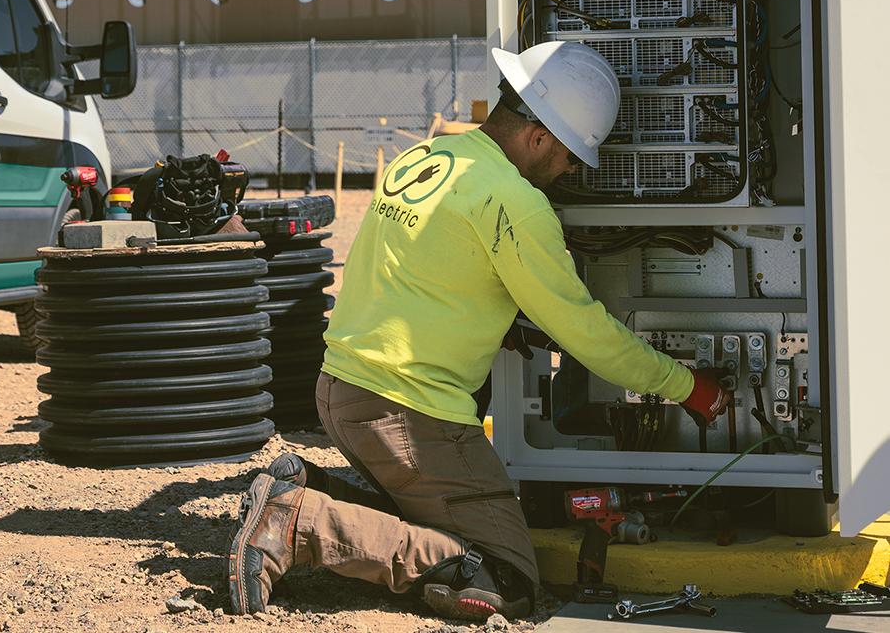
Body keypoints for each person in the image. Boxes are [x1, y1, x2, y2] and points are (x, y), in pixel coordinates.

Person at [228, 41, 732, 622]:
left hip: (342, 391)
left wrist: (499, 324)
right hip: (408, 415)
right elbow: (588, 333)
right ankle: (300, 522)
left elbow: (427, 272)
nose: (570, 173)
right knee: (506, 581)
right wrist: (688, 387)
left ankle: (305, 486)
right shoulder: (515, 203)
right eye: (571, 156)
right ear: (539, 137)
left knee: (435, 526)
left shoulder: (429, 158)